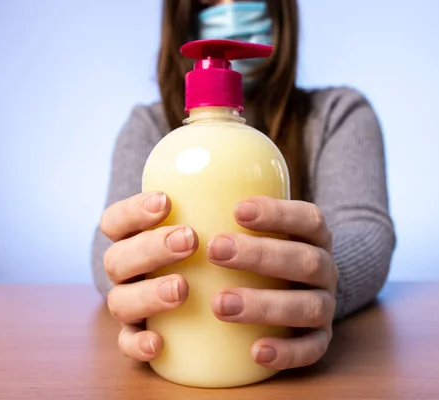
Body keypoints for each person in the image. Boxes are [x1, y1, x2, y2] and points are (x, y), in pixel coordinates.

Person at [91, 0, 396, 371]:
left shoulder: (336, 113)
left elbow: (367, 230)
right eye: (210, 2)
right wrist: (130, 281)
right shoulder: (151, 131)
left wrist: (319, 281)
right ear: (181, 16)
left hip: (265, 350)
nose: (231, 12)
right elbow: (107, 249)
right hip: (176, 354)